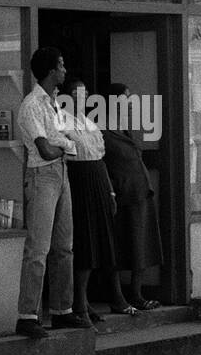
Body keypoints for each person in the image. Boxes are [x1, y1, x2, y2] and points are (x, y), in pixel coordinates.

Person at [15, 47, 90, 337]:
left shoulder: (54, 104)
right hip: (42, 176)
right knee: (38, 249)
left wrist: (64, 145)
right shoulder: (32, 105)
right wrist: (67, 146)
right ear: (49, 70)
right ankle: (27, 315)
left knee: (64, 247)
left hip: (61, 174)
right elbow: (47, 149)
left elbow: (61, 142)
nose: (64, 70)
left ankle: (62, 310)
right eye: (60, 65)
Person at [61, 76, 134, 321]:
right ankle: (78, 303)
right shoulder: (61, 123)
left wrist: (110, 191)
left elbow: (100, 158)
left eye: (83, 94)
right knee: (83, 242)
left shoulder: (91, 125)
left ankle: (95, 300)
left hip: (97, 180)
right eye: (74, 93)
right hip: (77, 181)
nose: (79, 98)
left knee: (101, 242)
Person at [102, 82, 164, 311]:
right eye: (124, 99)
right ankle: (118, 298)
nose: (128, 103)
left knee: (142, 245)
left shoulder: (127, 127)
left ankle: (136, 294)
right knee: (117, 248)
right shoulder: (102, 129)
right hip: (120, 194)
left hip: (140, 191)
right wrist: (111, 190)